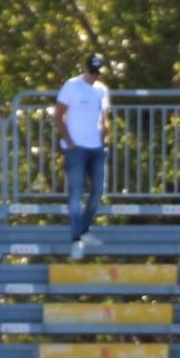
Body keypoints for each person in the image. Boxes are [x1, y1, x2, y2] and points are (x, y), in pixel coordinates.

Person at [55, 54, 111, 252]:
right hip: (76, 148)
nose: (94, 76)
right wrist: (69, 141)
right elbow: (58, 114)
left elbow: (104, 117)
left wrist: (104, 139)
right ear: (85, 68)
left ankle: (85, 229)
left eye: (97, 73)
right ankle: (76, 239)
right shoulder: (71, 86)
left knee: (98, 190)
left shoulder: (101, 90)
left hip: (96, 148)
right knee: (76, 192)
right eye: (91, 71)